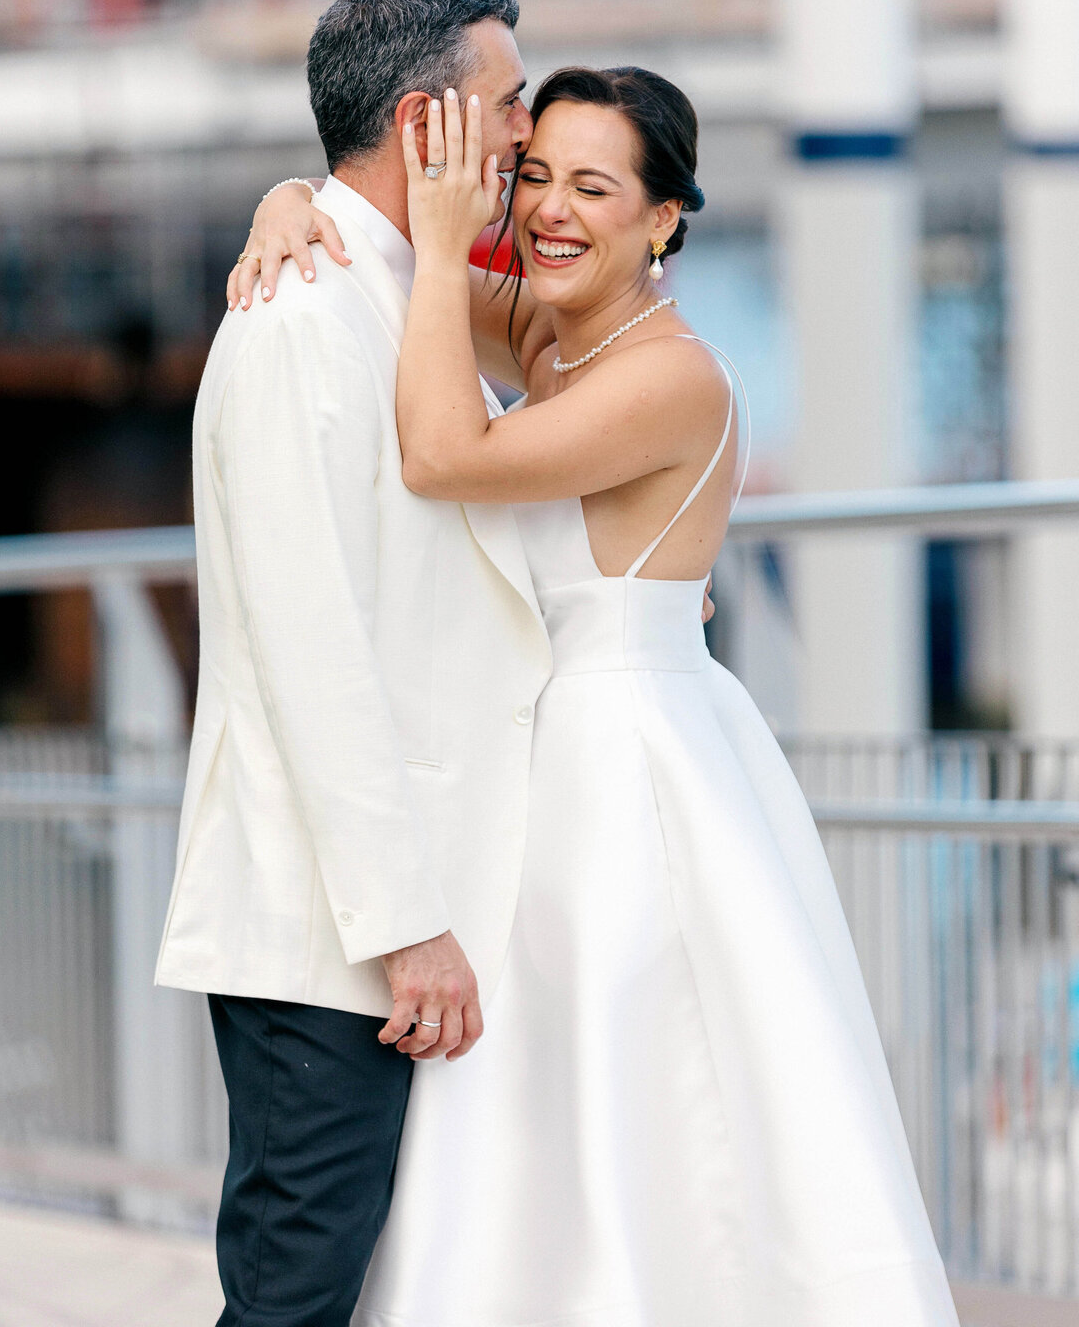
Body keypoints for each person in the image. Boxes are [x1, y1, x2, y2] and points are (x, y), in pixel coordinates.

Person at [244, 67, 960, 1324]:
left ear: (663, 219)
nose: (549, 211)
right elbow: (399, 270)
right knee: (524, 1128)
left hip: (627, 779)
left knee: (638, 1119)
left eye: (594, 187)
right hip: (538, 776)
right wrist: (289, 199)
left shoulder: (671, 378)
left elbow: (441, 454)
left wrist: (446, 230)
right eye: (532, 179)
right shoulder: (552, 340)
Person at [155, 0, 557, 1327]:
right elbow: (308, 645)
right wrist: (407, 925)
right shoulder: (301, 320)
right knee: (294, 1297)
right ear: (422, 121)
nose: (527, 134)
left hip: (386, 928)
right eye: (506, 103)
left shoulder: (397, 289)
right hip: (327, 933)